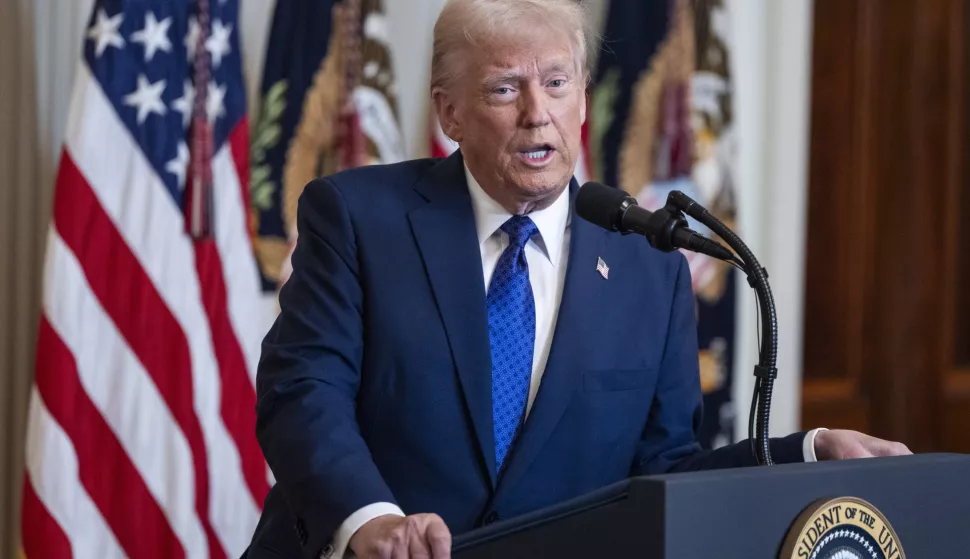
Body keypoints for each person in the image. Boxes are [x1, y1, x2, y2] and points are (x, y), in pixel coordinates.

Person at [245, 1, 911, 558]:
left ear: (585, 99)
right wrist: (372, 520)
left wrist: (808, 453)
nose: (538, 112)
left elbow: (665, 474)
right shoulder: (357, 216)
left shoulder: (649, 264)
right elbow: (303, 390)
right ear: (449, 114)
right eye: (505, 87)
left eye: (557, 83)